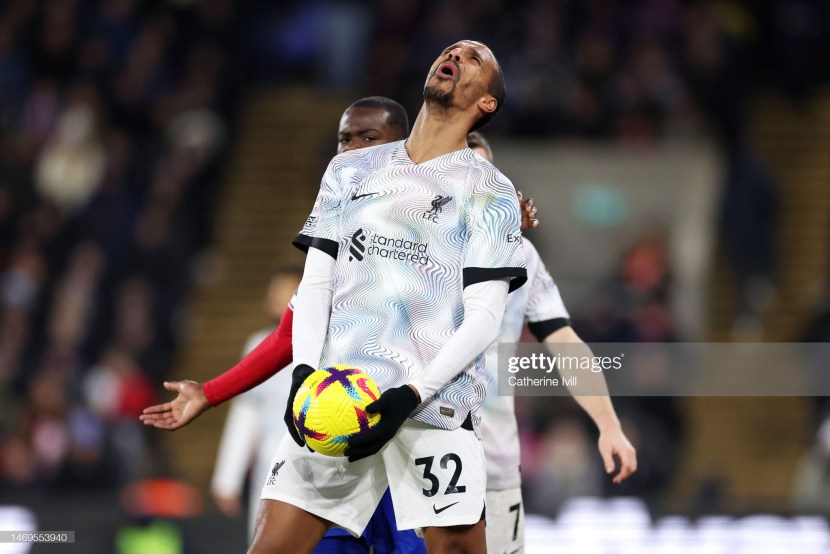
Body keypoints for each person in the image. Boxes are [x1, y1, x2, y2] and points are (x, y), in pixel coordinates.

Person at [269, 40, 526, 553]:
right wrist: (303, 374)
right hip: (339, 401)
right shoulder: (349, 170)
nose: (456, 55)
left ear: (487, 102)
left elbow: (484, 318)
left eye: (474, 58)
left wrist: (411, 393)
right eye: (452, 50)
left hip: (433, 411)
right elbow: (316, 285)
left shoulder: (492, 192)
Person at [467, 131, 637, 554]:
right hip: (411, 461)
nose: (475, 186)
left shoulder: (522, 257)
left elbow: (566, 343)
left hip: (495, 466)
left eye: (486, 175)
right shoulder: (405, 253)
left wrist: (609, 424)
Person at [211, 272, 299, 538]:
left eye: (285, 290)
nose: (275, 297)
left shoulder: (328, 341)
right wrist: (227, 477)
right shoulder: (257, 344)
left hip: (312, 457)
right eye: (273, 290)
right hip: (269, 461)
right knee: (263, 540)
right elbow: (245, 412)